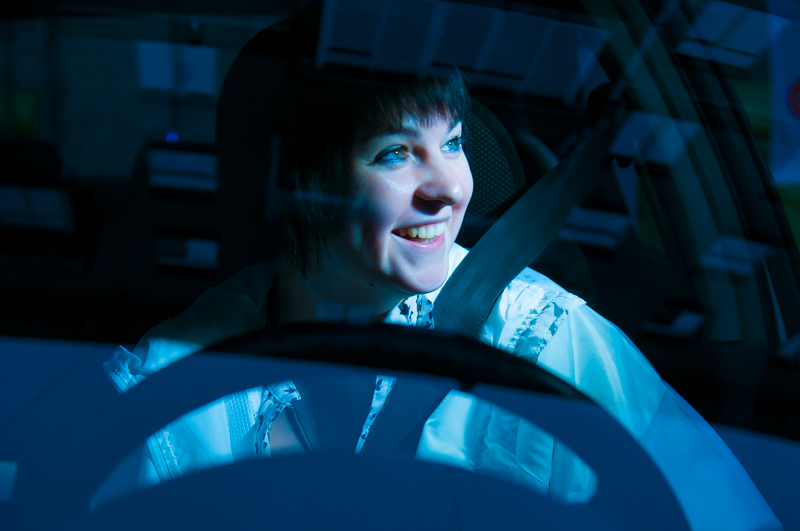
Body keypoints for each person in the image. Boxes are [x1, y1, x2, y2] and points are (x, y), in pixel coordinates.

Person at [100, 13, 781, 531]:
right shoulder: (176, 377)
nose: (451, 188)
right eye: (396, 153)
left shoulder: (549, 343)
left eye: (453, 142)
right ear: (302, 185)